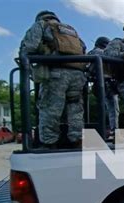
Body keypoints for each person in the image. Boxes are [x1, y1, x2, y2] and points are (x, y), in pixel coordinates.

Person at [19, 10, 87, 148]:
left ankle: (49, 143)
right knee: (75, 110)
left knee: (50, 108)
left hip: (56, 74)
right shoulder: (71, 30)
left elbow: (29, 46)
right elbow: (83, 48)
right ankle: (77, 140)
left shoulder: (42, 24)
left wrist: (25, 58)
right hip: (77, 74)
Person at [87, 36, 120, 133]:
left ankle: (112, 131)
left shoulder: (92, 52)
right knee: (113, 109)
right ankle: (114, 131)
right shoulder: (99, 52)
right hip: (106, 83)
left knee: (108, 108)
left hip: (101, 83)